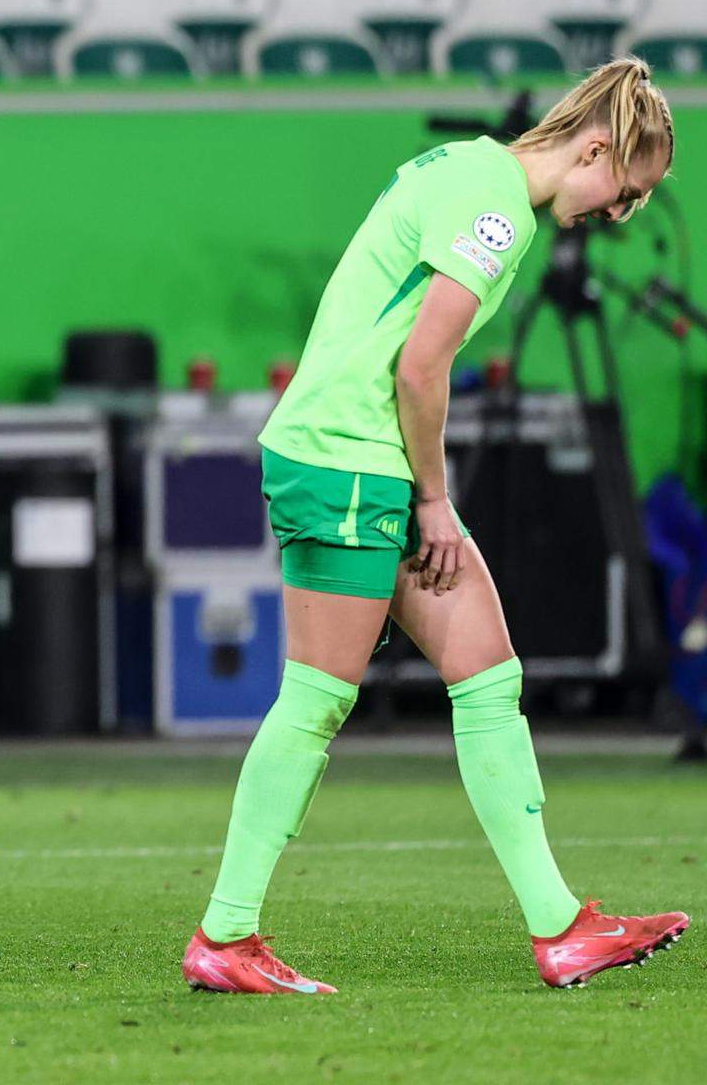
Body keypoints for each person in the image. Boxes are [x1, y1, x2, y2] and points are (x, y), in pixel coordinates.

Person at [183, 57, 691, 995]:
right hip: (347, 459)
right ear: (595, 149)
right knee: (316, 700)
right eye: (626, 192)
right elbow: (422, 369)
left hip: (357, 457)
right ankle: (226, 935)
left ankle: (561, 928)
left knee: (489, 677)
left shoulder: (465, 167)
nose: (617, 216)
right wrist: (434, 500)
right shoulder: (495, 210)